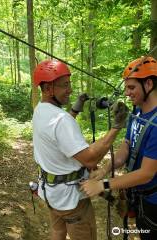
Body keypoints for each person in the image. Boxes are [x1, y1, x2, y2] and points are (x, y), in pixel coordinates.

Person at [32, 59, 128, 240]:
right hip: (71, 200)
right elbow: (91, 159)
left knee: (58, 232)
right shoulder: (61, 120)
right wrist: (116, 126)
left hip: (50, 192)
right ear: (47, 89)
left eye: (69, 84)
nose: (69, 90)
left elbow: (57, 132)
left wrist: (75, 111)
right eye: (64, 85)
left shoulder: (40, 111)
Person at [80, 56, 157, 240]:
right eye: (126, 88)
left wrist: (103, 184)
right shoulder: (137, 112)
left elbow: (146, 173)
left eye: (131, 87)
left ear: (148, 84)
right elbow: (126, 149)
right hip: (138, 197)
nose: (127, 93)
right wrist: (105, 169)